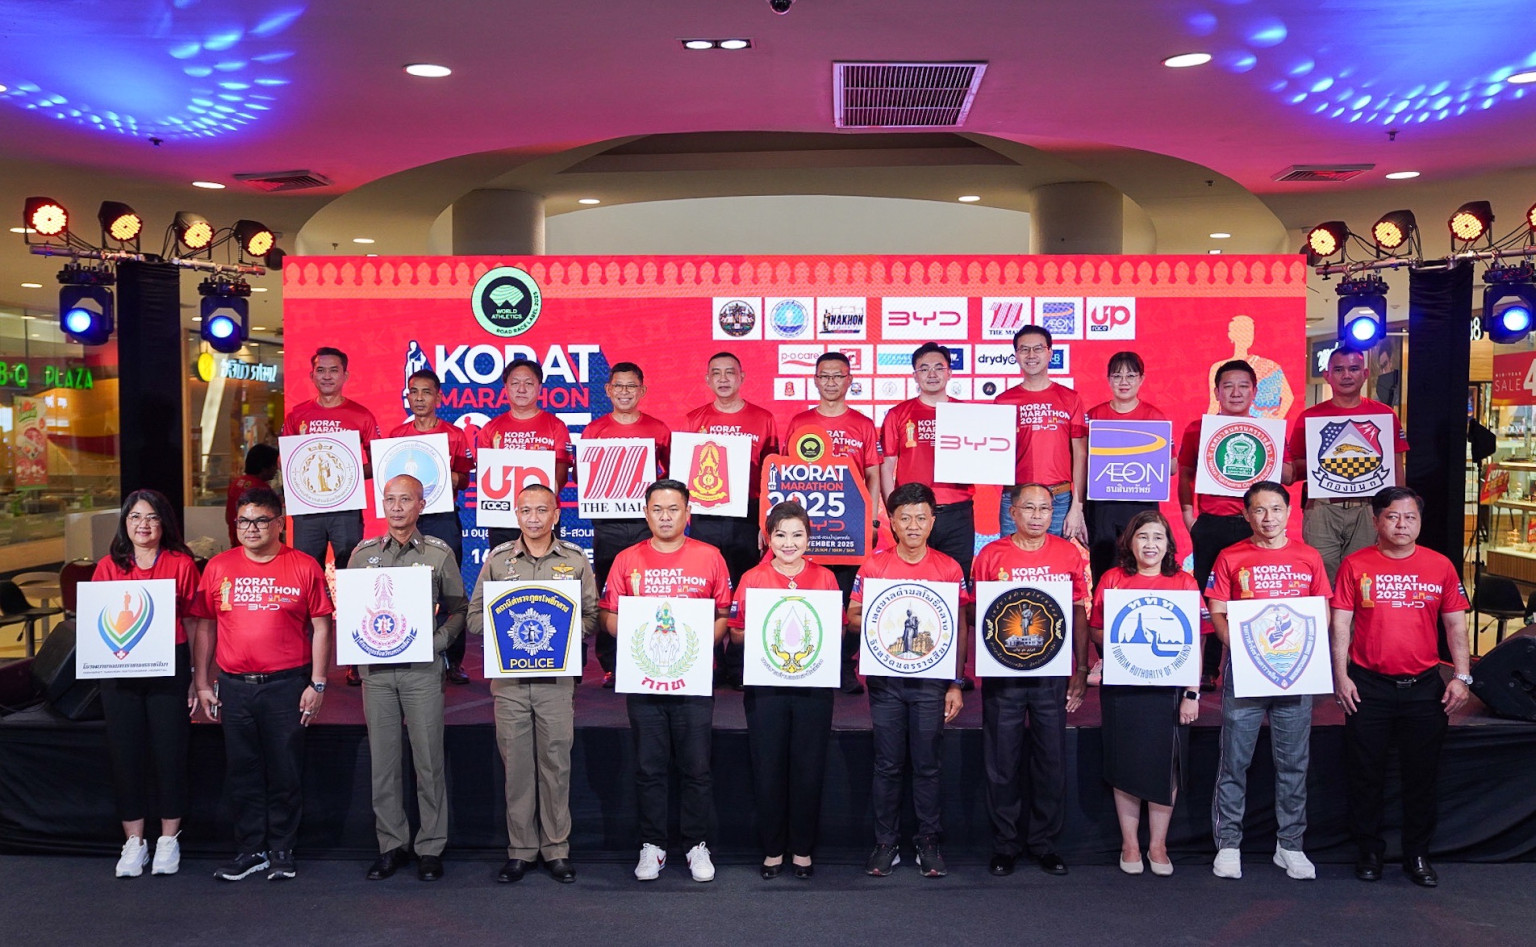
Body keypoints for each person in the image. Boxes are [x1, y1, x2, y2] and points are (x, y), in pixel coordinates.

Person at [1330, 486, 1471, 888]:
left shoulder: (1440, 565)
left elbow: (1455, 626)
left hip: (1424, 688)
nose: (1401, 525)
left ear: (1420, 522)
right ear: (1376, 521)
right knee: (1364, 775)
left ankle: (1418, 855)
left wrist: (1462, 676)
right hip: (1367, 686)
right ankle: (1369, 852)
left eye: (1410, 517)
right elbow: (1340, 624)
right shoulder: (1355, 564)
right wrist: (1340, 676)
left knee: (1422, 777)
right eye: (1392, 517)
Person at [193, 487, 333, 882]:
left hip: (286, 685)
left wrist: (318, 683)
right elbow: (205, 627)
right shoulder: (218, 567)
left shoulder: (304, 565)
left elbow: (322, 627)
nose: (250, 529)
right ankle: (251, 849)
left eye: (260, 521)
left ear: (279, 524)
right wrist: (201, 682)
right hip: (234, 687)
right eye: (243, 521)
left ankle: (282, 849)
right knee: (243, 771)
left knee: (285, 770)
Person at [599, 479, 732, 883]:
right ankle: (652, 845)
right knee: (649, 766)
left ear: (688, 513)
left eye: (674, 509)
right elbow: (608, 616)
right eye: (657, 509)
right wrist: (636, 633)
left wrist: (694, 644)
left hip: (693, 679)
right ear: (646, 514)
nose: (665, 517)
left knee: (696, 767)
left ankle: (696, 844)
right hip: (644, 678)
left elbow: (723, 615)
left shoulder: (710, 557)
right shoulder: (627, 559)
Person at [468, 483, 598, 884]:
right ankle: (521, 851)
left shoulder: (575, 560)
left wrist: (564, 633)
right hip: (509, 683)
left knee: (555, 765)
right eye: (526, 510)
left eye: (542, 510)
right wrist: (504, 627)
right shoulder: (498, 560)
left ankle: (557, 849)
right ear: (516, 515)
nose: (534, 518)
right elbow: (474, 618)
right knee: (518, 767)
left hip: (556, 681)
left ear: (556, 514)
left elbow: (592, 617)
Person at [1205, 481, 1330, 881]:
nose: (1268, 517)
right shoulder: (1230, 556)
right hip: (1246, 670)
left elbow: (1322, 611)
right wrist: (1240, 646)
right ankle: (1228, 844)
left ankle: (1290, 845)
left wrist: (1306, 650)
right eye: (1259, 510)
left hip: (1295, 671)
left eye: (1276, 509)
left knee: (1293, 763)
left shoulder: (1309, 556)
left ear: (1290, 512)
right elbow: (1217, 609)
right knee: (1234, 760)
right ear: (1246, 515)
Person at [346, 474, 467, 883]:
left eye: (405, 500)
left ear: (421, 505)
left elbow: (459, 608)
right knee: (384, 764)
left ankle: (430, 847)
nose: (396, 507)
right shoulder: (363, 554)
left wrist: (438, 642)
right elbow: (352, 610)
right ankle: (391, 845)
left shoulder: (438, 553)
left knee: (428, 761)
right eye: (390, 500)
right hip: (377, 673)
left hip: (421, 671)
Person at [970, 483, 1090, 877]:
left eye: (1045, 509)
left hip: (1050, 674)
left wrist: (1081, 668)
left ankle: (1044, 844)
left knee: (1050, 760)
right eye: (1029, 508)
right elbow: (976, 614)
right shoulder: (991, 555)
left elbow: (1078, 612)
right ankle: (1005, 845)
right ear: (1013, 512)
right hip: (1003, 675)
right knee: (1001, 762)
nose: (1038, 516)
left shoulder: (1067, 553)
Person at [850, 482, 969, 878]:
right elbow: (852, 617)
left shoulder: (948, 568)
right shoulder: (874, 567)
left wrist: (956, 683)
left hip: (932, 683)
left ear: (933, 521)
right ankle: (886, 843)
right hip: (886, 682)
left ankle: (928, 841)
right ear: (892, 523)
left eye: (921, 517)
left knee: (927, 764)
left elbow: (960, 627)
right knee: (887, 764)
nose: (913, 525)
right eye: (905, 518)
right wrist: (877, 615)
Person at [729, 500, 841, 880]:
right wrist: (763, 625)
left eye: (797, 535)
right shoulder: (753, 579)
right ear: (768, 537)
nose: (789, 543)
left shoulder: (825, 578)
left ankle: (803, 850)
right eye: (780, 535)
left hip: (813, 688)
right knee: (768, 767)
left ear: (809, 537)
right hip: (766, 689)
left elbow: (836, 631)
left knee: (809, 768)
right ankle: (773, 849)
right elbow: (736, 633)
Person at [92, 490, 202, 877]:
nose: (144, 525)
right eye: (135, 517)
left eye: (152, 517)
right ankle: (134, 842)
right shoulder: (108, 566)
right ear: (125, 523)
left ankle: (169, 840)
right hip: (119, 674)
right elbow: (97, 621)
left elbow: (194, 622)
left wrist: (196, 677)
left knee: (170, 754)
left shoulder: (181, 563)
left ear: (164, 523)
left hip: (168, 671)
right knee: (126, 757)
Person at [1089, 510, 1203, 876]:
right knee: (1124, 763)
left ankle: (1158, 845)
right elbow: (1095, 630)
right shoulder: (1112, 578)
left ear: (1168, 544)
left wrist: (1192, 693)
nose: (1150, 544)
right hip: (1123, 689)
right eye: (1142, 536)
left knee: (1165, 765)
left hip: (1169, 690)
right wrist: (1117, 637)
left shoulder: (1184, 582)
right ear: (1129, 542)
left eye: (1157, 537)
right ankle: (1130, 844)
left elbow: (1197, 642)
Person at [785, 351, 881, 695]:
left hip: (849, 531)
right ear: (815, 380)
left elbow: (873, 475)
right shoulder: (799, 422)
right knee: (808, 595)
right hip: (807, 530)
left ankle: (843, 666)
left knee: (848, 602)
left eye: (838, 376)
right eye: (824, 376)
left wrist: (872, 520)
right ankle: (807, 662)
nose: (831, 382)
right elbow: (786, 474)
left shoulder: (863, 424)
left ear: (849, 381)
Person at [684, 351, 779, 689]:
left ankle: (740, 664)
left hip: (747, 515)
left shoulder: (763, 418)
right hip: (706, 515)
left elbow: (772, 474)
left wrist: (765, 522)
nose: (723, 379)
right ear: (707, 379)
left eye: (730, 372)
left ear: (742, 377)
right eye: (716, 373)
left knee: (742, 590)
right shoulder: (693, 419)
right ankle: (709, 662)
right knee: (706, 588)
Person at [1283, 347, 1409, 583]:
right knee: (1322, 579)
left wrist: (1397, 507)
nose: (1347, 375)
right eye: (1339, 370)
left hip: (1368, 507)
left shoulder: (1384, 415)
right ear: (1327, 375)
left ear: (1364, 374)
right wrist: (1323, 463)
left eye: (1353, 369)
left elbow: (1396, 466)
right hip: (1322, 508)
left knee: (1362, 577)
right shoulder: (1309, 417)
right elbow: (1295, 469)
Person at [582, 361, 671, 688]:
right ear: (608, 390)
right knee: (611, 593)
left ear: (642, 391)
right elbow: (583, 476)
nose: (624, 392)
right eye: (618, 386)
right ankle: (612, 665)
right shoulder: (594, 430)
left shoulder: (659, 429)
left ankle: (653, 656)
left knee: (649, 591)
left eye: (631, 386)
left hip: (647, 526)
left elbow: (671, 476)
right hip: (608, 525)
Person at [1180, 358, 1260, 690]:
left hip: (1254, 525)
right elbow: (1185, 473)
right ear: (1217, 392)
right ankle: (1207, 667)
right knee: (1209, 595)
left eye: (1243, 386)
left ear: (1254, 391)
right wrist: (1189, 513)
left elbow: (1286, 475)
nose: (1236, 392)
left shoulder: (1266, 432)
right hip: (1211, 523)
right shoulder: (1198, 428)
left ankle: (1254, 662)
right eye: (1228, 386)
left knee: (1253, 594)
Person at [280, 346, 381, 572]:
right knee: (306, 570)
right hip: (307, 508)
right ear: (311, 375)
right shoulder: (297, 415)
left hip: (346, 508)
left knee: (350, 568)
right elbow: (282, 461)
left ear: (345, 375)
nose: (327, 376)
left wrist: (349, 474)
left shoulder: (362, 415)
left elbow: (378, 461)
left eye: (334, 370)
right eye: (321, 370)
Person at [880, 343, 976, 580]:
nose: (932, 374)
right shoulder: (898, 414)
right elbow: (886, 466)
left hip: (957, 511)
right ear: (915, 375)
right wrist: (895, 510)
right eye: (924, 369)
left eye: (938, 368)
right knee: (912, 579)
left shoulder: (969, 414)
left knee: (957, 581)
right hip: (913, 512)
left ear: (949, 373)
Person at [993, 326, 1087, 542]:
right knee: (1011, 559)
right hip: (1016, 497)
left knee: (1055, 561)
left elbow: (1081, 455)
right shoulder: (1003, 401)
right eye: (1024, 349)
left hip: (1059, 498)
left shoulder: (1070, 398)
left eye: (1038, 348)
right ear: (1016, 355)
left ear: (1050, 352)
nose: (1031, 355)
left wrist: (1077, 507)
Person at [1084, 351, 1170, 582]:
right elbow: (1082, 464)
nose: (1124, 382)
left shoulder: (1154, 417)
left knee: (1141, 566)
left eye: (1131, 376)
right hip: (1102, 506)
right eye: (1117, 376)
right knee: (1103, 568)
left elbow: (1171, 468)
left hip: (1141, 502)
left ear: (1141, 379)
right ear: (1108, 379)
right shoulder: (1094, 416)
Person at [476, 358, 575, 551]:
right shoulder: (490, 429)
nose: (521, 389)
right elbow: (484, 473)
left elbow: (562, 469)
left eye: (529, 383)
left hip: (543, 516)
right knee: (504, 567)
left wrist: (543, 500)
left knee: (545, 566)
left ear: (540, 388)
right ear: (505, 387)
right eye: (515, 383)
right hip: (502, 516)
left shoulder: (556, 426)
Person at [1207, 314, 1293, 419]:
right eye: (1228, 386)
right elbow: (1214, 405)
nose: (1236, 393)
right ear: (1231, 335)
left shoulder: (1269, 366)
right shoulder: (1217, 367)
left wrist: (1273, 423)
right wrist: (1208, 426)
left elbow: (1288, 397)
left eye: (1249, 332)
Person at [226, 444, 278, 548]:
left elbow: (228, 517)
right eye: (274, 465)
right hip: (255, 545)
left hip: (237, 542)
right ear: (264, 467)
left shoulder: (236, 483)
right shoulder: (261, 488)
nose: (276, 470)